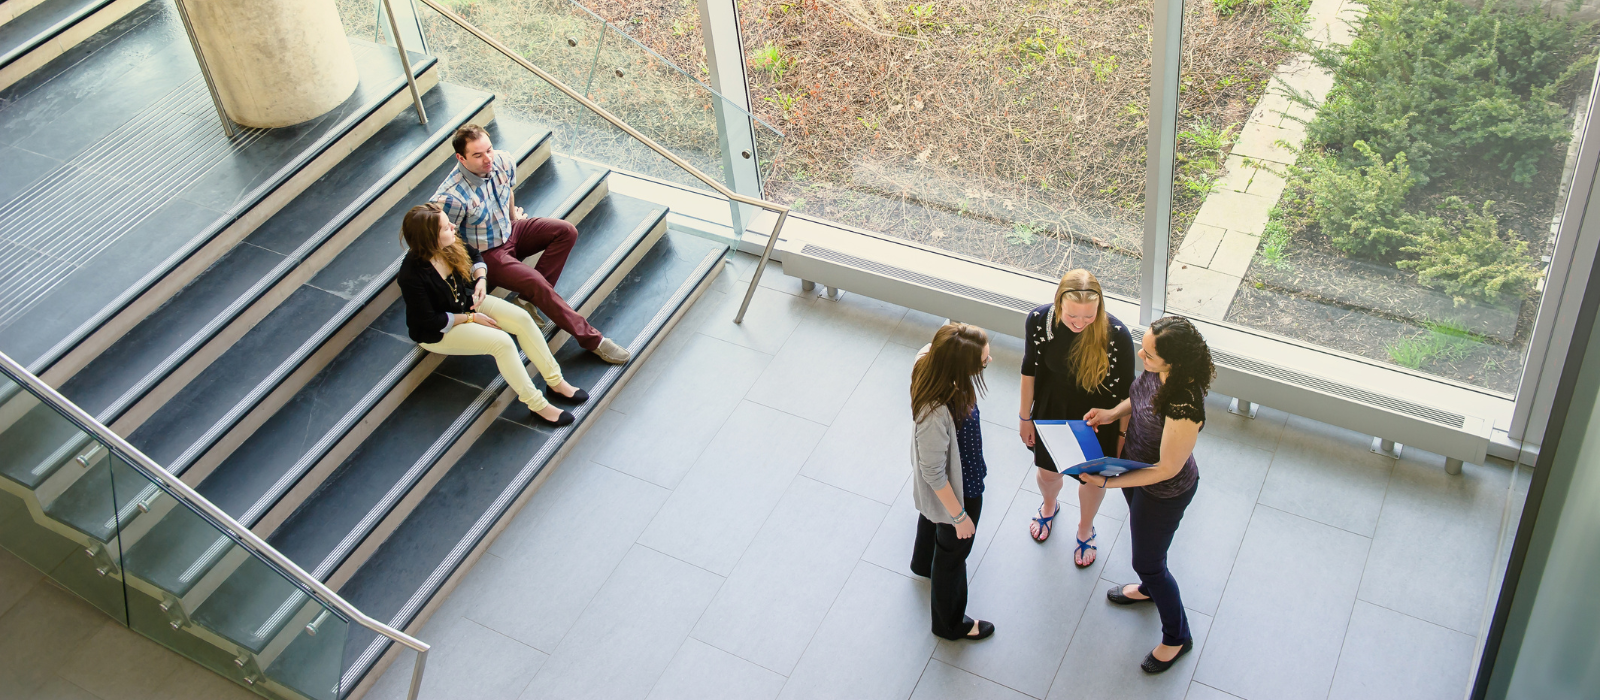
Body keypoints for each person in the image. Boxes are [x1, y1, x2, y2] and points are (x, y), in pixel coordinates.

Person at [430, 124, 631, 365]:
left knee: (566, 231)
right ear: (460, 158)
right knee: (537, 282)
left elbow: (507, 191)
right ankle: (593, 340)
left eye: (489, 150)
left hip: (511, 230)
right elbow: (443, 240)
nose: (487, 159)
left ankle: (525, 301)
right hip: (486, 253)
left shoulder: (502, 160)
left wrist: (514, 217)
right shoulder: (450, 196)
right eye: (478, 155)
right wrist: (472, 271)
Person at [1081, 315, 1212, 674]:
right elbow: (1137, 397)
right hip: (1134, 472)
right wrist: (1111, 414)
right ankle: (1150, 590)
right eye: (1145, 346)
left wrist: (1108, 483)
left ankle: (1177, 637)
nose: (1141, 355)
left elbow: (1168, 467)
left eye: (1150, 354)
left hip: (1163, 491)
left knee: (1149, 563)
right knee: (1149, 556)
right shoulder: (1158, 373)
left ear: (1175, 361)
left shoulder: (1185, 404)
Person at [396, 202, 589, 427]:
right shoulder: (411, 275)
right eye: (444, 226)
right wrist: (471, 318)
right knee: (502, 343)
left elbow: (476, 255)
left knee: (522, 319)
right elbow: (430, 321)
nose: (452, 225)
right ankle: (537, 404)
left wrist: (480, 279)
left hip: (466, 303)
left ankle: (556, 382)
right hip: (439, 329)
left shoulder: (449, 244)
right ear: (429, 237)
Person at [1018, 270, 1135, 567]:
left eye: (1089, 316)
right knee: (1047, 472)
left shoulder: (1118, 336)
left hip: (1098, 421)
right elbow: (1029, 371)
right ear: (1058, 304)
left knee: (1093, 481)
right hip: (1052, 412)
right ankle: (1049, 504)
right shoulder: (1038, 321)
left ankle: (1085, 527)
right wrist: (1024, 417)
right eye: (1072, 316)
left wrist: (1121, 438)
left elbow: (1126, 395)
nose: (1081, 324)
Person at [908, 323, 996, 642]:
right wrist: (959, 516)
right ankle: (949, 624)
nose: (989, 361)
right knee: (952, 557)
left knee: (932, 522)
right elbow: (934, 474)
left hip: (957, 479)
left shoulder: (931, 359)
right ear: (960, 366)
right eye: (983, 361)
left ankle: (922, 564)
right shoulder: (935, 412)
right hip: (959, 490)